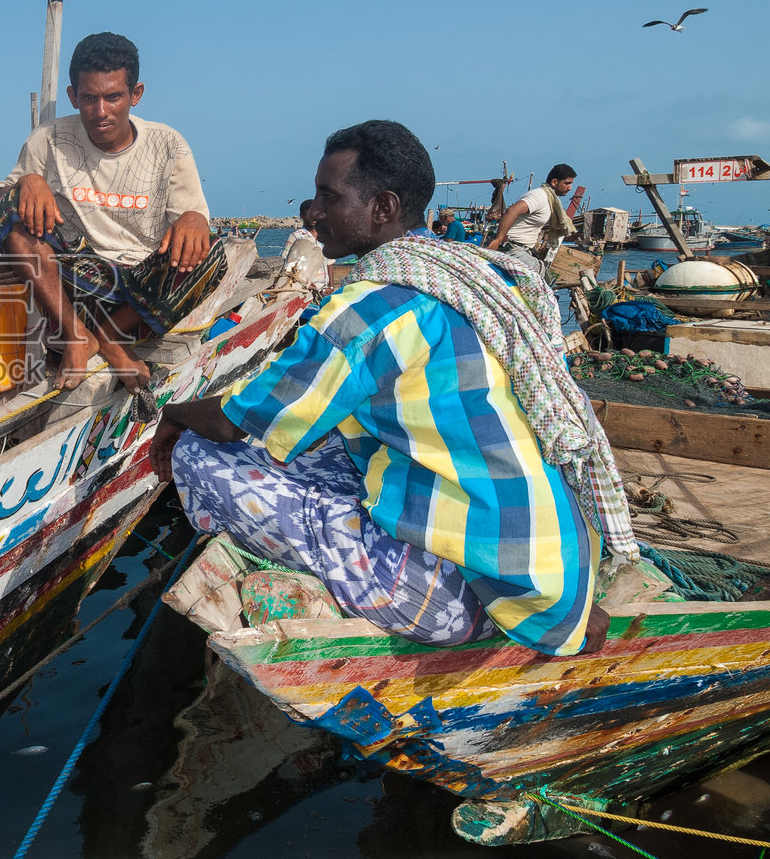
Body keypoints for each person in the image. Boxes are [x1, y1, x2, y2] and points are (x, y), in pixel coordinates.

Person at [149, 121, 635, 657]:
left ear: (382, 207)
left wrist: (174, 415)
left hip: (466, 600)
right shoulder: (473, 277)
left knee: (197, 453)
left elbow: (233, 421)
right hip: (552, 571)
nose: (312, 213)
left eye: (328, 197)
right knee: (323, 442)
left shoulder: (371, 309)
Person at [0, 32, 224, 390]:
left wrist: (194, 218)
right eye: (89, 98)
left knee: (214, 253)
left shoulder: (168, 144)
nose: (100, 112)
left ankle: (109, 337)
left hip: (140, 288)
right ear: (73, 96)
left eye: (113, 97)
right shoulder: (48, 139)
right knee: (8, 210)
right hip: (76, 279)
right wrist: (28, 182)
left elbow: (192, 222)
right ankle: (76, 336)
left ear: (135, 94)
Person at [485, 163, 576, 273]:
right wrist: (498, 240)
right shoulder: (539, 196)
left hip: (522, 249)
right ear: (554, 182)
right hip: (511, 248)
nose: (570, 188)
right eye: (567, 183)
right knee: (542, 275)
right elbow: (512, 211)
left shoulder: (550, 199)